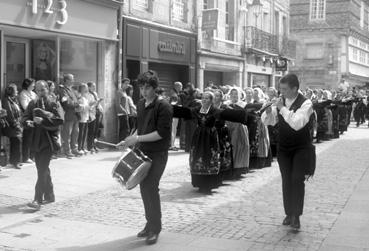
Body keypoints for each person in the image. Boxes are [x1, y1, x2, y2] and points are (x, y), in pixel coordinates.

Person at [117, 70, 172, 245]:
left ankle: (155, 229)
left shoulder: (164, 106)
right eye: (141, 87)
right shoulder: (140, 104)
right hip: (143, 152)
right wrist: (127, 141)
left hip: (158, 153)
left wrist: (137, 139)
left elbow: (161, 134)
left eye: (147, 87)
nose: (144, 91)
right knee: (144, 189)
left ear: (154, 88)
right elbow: (139, 128)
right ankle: (150, 224)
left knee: (150, 187)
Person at [272, 74, 315, 230]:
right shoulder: (280, 102)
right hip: (284, 147)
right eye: (280, 88)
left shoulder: (307, 103)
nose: (281, 92)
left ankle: (296, 215)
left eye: (284, 89)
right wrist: (269, 113)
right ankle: (288, 213)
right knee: (286, 180)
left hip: (301, 148)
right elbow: (269, 121)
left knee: (297, 179)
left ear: (295, 88)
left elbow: (297, 123)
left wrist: (282, 109)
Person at [24, 80, 63, 210]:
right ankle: (50, 195)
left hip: (48, 141)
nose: (40, 92)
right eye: (38, 90)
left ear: (47, 89)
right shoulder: (32, 103)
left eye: (43, 89)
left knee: (42, 170)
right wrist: (28, 122)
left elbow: (60, 119)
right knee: (42, 169)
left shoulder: (53, 103)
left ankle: (37, 199)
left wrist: (44, 119)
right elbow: (24, 118)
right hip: (35, 141)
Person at [59, 74, 81, 158]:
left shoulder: (71, 90)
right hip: (68, 114)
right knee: (67, 134)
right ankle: (67, 151)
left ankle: (74, 148)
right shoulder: (62, 90)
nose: (73, 80)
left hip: (75, 114)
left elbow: (75, 100)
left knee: (75, 132)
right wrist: (77, 105)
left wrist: (79, 105)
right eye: (71, 79)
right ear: (66, 80)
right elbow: (66, 102)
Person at [2, 84, 23, 169]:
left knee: (17, 142)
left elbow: (19, 111)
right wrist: (16, 124)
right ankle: (15, 161)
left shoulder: (14, 100)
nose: (17, 92)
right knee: (16, 141)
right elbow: (9, 114)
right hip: (11, 125)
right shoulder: (6, 100)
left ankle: (15, 160)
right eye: (16, 90)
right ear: (11, 91)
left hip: (16, 124)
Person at [18, 78, 37, 164]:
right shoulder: (23, 94)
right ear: (28, 84)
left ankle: (31, 156)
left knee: (33, 137)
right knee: (27, 138)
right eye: (33, 84)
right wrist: (36, 109)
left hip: (35, 117)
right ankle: (26, 157)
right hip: (28, 118)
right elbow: (25, 106)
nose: (34, 85)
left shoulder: (33, 93)